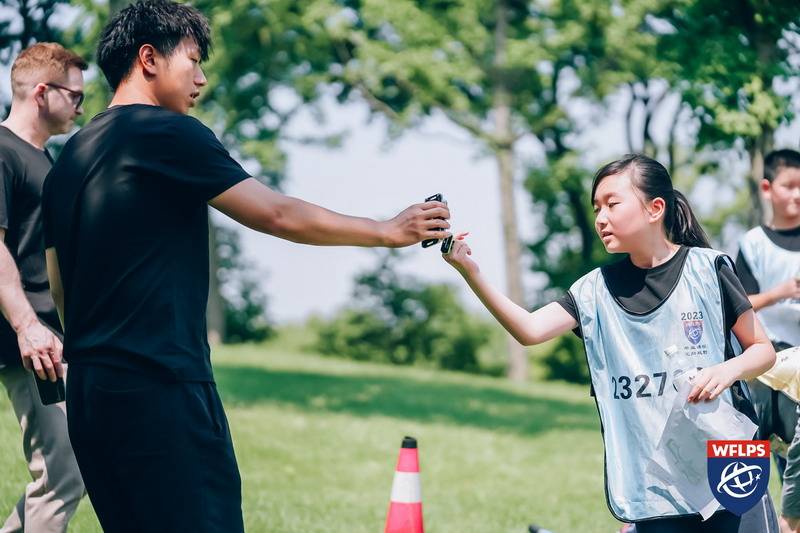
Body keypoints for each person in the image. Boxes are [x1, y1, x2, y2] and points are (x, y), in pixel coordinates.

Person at [41, 1, 451, 532]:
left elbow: (59, 284)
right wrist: (386, 231)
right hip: (159, 386)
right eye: (193, 61)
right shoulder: (167, 132)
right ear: (148, 59)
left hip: (92, 394)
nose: (201, 79)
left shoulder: (68, 160)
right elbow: (276, 214)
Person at [443, 154, 776, 532]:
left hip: (730, 465)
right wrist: (470, 271)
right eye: (596, 208)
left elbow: (762, 350)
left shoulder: (709, 268)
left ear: (655, 209)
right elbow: (529, 330)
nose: (600, 218)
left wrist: (727, 370)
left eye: (612, 204)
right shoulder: (593, 291)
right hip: (656, 482)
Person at [0, 42, 86, 533]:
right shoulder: (2, 151)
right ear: (41, 92)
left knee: (65, 473)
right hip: (28, 341)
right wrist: (26, 326)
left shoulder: (43, 159)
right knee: (61, 476)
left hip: (48, 337)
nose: (80, 107)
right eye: (75, 96)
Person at [736, 149, 800, 532]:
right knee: (747, 474)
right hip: (763, 367)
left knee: (794, 479)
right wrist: (780, 293)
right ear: (766, 188)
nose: (797, 195)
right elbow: (738, 304)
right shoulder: (754, 243)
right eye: (789, 185)